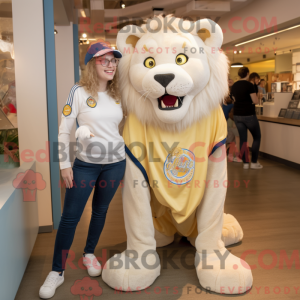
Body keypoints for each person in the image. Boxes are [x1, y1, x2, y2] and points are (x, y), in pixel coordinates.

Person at [39, 42, 126, 299]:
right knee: (70, 218)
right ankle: (57, 270)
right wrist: (64, 165)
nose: (111, 65)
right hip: (85, 166)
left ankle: (89, 254)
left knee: (100, 211)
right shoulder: (78, 91)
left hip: (115, 163)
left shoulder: (118, 92)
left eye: (114, 60)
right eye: (104, 60)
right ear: (92, 63)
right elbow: (64, 129)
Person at [230, 67, 263, 169]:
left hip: (237, 115)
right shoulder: (249, 85)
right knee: (257, 137)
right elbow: (255, 101)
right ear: (248, 74)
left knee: (243, 139)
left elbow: (233, 99)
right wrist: (256, 98)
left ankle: (245, 163)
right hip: (249, 115)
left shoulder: (234, 85)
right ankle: (253, 163)